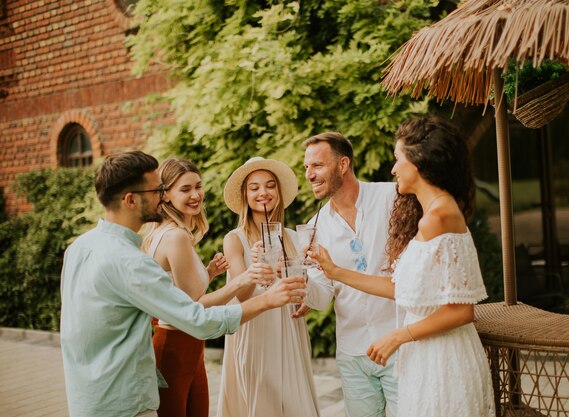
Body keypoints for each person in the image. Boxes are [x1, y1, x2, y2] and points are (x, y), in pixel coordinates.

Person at [60, 151, 305, 417]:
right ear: (130, 200)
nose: (162, 196)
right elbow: (196, 317)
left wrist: (209, 276)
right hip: (124, 400)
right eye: (157, 189)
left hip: (87, 397)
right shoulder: (131, 260)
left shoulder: (79, 248)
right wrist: (266, 298)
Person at [310, 116, 496, 416]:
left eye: (398, 159)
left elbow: (462, 310)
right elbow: (401, 289)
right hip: (422, 356)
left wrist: (398, 335)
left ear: (419, 161)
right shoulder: (430, 214)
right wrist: (334, 273)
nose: (394, 168)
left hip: (442, 358)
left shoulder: (439, 216)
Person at [141, 158, 261, 417]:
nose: (195, 195)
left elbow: (178, 291)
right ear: (166, 195)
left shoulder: (168, 232)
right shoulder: (176, 237)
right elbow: (190, 307)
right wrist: (241, 280)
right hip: (174, 348)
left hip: (190, 346)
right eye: (185, 189)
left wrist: (208, 272)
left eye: (198, 186)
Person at [299, 133, 399, 417]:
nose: (309, 175)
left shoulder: (391, 197)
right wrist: (299, 280)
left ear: (343, 164)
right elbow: (320, 297)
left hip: (400, 343)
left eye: (317, 166)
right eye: (306, 168)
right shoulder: (313, 228)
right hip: (354, 354)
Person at [216, 156, 320, 417]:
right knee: (261, 405)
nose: (263, 192)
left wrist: (306, 294)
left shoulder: (295, 238)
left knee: (296, 406)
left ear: (279, 192)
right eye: (254, 187)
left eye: (270, 185)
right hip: (255, 334)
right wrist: (258, 265)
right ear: (245, 196)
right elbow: (241, 296)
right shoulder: (234, 240)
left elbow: (304, 287)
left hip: (290, 330)